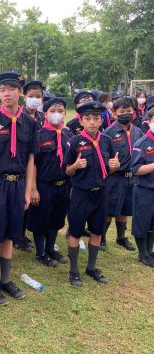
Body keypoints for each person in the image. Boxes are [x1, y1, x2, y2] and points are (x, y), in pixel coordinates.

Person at [0, 71, 38, 305]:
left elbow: (31, 159)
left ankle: (5, 280)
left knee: (11, 233)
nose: (6, 93)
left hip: (18, 184)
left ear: (20, 92)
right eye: (2, 90)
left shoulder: (30, 123)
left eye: (11, 89)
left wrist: (28, 189)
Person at [64, 102, 120, 287]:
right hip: (81, 194)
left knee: (97, 231)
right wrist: (75, 166)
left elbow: (110, 168)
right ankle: (74, 271)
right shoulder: (74, 142)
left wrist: (115, 167)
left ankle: (91, 267)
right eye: (88, 118)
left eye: (96, 118)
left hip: (101, 194)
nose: (92, 122)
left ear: (101, 121)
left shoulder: (107, 141)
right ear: (81, 121)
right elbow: (67, 170)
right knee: (75, 232)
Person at [28, 97, 71, 267]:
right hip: (44, 185)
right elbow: (33, 164)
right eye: (52, 111)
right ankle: (40, 253)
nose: (57, 114)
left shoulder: (68, 136)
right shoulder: (39, 135)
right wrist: (33, 188)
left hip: (63, 185)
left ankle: (51, 249)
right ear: (45, 114)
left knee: (56, 219)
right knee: (41, 219)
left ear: (65, 113)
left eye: (60, 111)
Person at [101, 97, 142, 251]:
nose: (126, 114)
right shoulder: (108, 133)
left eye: (129, 111)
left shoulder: (138, 131)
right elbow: (103, 156)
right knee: (110, 209)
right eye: (122, 111)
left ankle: (121, 238)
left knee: (125, 208)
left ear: (134, 112)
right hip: (115, 178)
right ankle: (101, 238)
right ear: (114, 113)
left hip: (132, 178)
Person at [17, 80, 45, 252]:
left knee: (32, 204)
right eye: (31, 96)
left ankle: (24, 233)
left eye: (38, 96)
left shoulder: (42, 117)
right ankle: (18, 236)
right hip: (23, 164)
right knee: (22, 203)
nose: (34, 99)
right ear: (24, 97)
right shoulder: (19, 116)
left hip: (39, 164)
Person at [130, 109, 154, 267]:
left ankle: (149, 250)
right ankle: (142, 253)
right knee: (142, 221)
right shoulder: (142, 143)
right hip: (145, 189)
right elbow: (136, 169)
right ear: (149, 121)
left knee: (152, 222)